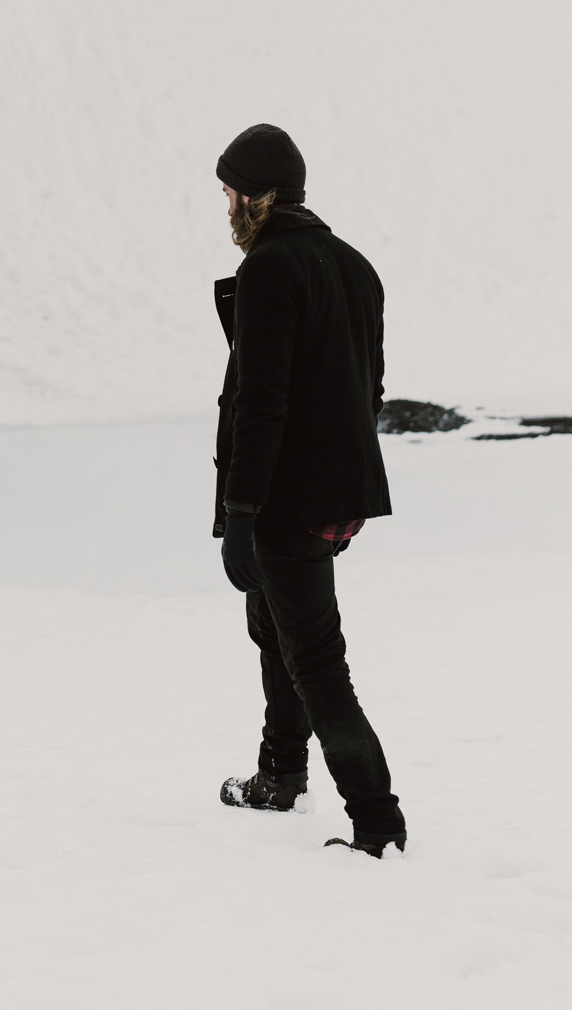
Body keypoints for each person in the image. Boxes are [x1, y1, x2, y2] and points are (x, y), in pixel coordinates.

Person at [212, 122, 406, 858]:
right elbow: (370, 389)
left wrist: (240, 512)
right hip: (336, 490)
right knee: (277, 632)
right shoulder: (353, 266)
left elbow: (262, 401)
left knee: (316, 659)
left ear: (257, 196)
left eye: (229, 191)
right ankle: (280, 775)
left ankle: (377, 822)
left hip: (283, 498)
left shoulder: (269, 267)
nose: (225, 206)